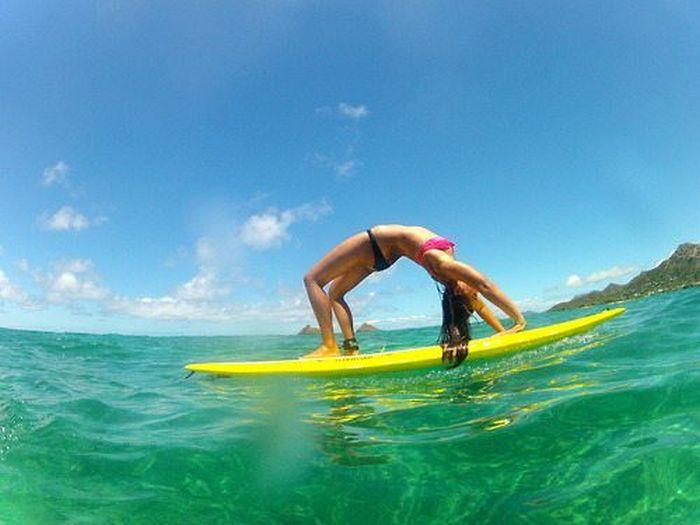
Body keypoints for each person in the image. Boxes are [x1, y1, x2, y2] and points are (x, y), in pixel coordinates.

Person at [302, 224, 526, 362]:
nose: (472, 292)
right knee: (335, 294)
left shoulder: (445, 265)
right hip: (385, 254)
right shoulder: (455, 281)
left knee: (312, 279)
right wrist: (504, 332)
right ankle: (350, 349)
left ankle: (329, 346)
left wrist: (519, 322)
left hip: (375, 244)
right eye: (472, 292)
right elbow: (478, 300)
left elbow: (485, 285)